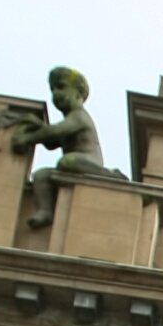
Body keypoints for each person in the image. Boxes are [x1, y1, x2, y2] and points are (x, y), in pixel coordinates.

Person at [14, 66, 126, 229]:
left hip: (87, 161)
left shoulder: (79, 117)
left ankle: (109, 175)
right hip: (71, 164)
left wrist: (27, 138)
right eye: (52, 90)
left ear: (79, 92)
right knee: (41, 175)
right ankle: (45, 211)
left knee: (66, 161)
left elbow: (55, 131)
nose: (56, 94)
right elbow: (51, 142)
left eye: (61, 87)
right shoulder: (69, 120)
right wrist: (38, 126)